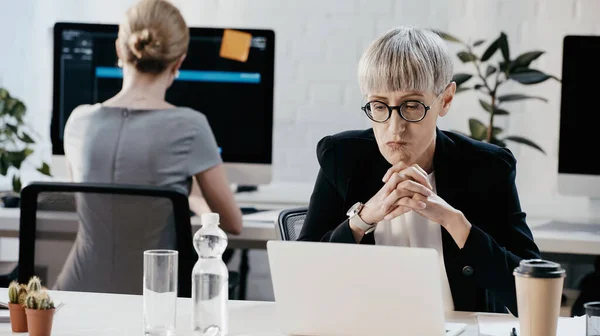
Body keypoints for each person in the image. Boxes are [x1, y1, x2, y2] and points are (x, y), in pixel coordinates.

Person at [297, 26, 540, 315]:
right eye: (378, 105)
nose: (394, 127)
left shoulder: (487, 168)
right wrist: (362, 220)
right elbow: (301, 281)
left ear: (446, 99)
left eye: (411, 106)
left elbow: (533, 299)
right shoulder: (342, 157)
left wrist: (455, 223)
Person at [58, 0, 242, 293]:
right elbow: (232, 223)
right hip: (152, 302)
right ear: (179, 61)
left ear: (120, 49)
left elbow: (91, 204)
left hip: (75, 297)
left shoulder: (78, 121)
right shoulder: (190, 126)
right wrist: (192, 195)